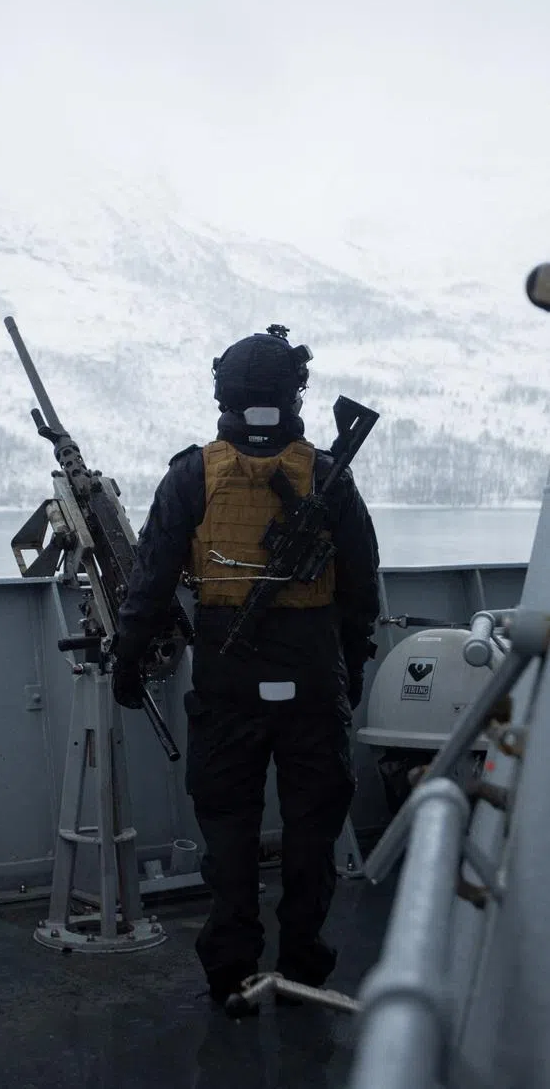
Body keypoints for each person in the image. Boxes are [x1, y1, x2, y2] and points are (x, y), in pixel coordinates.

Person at [110, 325, 380, 1006]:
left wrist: (128, 658)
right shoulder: (326, 475)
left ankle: (231, 972)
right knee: (312, 827)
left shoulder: (191, 476)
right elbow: (361, 591)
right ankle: (303, 967)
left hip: (228, 675)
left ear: (223, 393)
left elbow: (149, 583)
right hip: (313, 672)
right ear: (294, 394)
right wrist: (347, 669)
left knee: (228, 829)